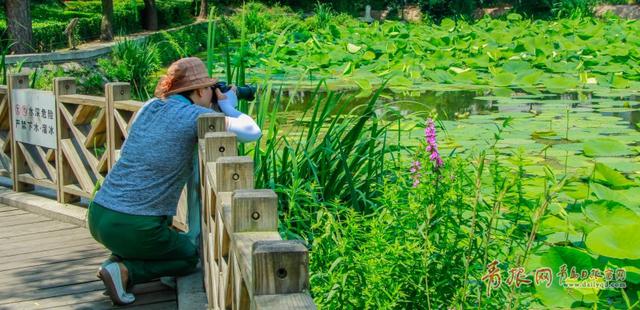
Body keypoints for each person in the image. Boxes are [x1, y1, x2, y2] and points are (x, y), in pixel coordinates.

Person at [87, 57, 261, 305]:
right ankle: (127, 271)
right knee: (188, 257)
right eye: (211, 88)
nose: (214, 92)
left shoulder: (149, 106)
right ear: (200, 90)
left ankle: (114, 263)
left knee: (155, 237)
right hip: (134, 225)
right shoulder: (193, 116)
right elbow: (252, 132)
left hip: (99, 215)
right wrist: (229, 107)